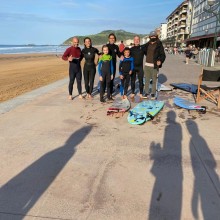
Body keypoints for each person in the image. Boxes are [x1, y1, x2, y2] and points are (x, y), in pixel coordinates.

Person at [142, 31, 166, 99]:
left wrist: (160, 61)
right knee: (146, 79)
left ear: (156, 36)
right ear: (150, 37)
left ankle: (153, 93)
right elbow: (140, 49)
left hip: (154, 66)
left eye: (154, 36)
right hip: (147, 65)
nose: (153, 37)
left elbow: (163, 55)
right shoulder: (147, 44)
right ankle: (146, 92)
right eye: (151, 36)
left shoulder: (159, 44)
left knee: (154, 80)